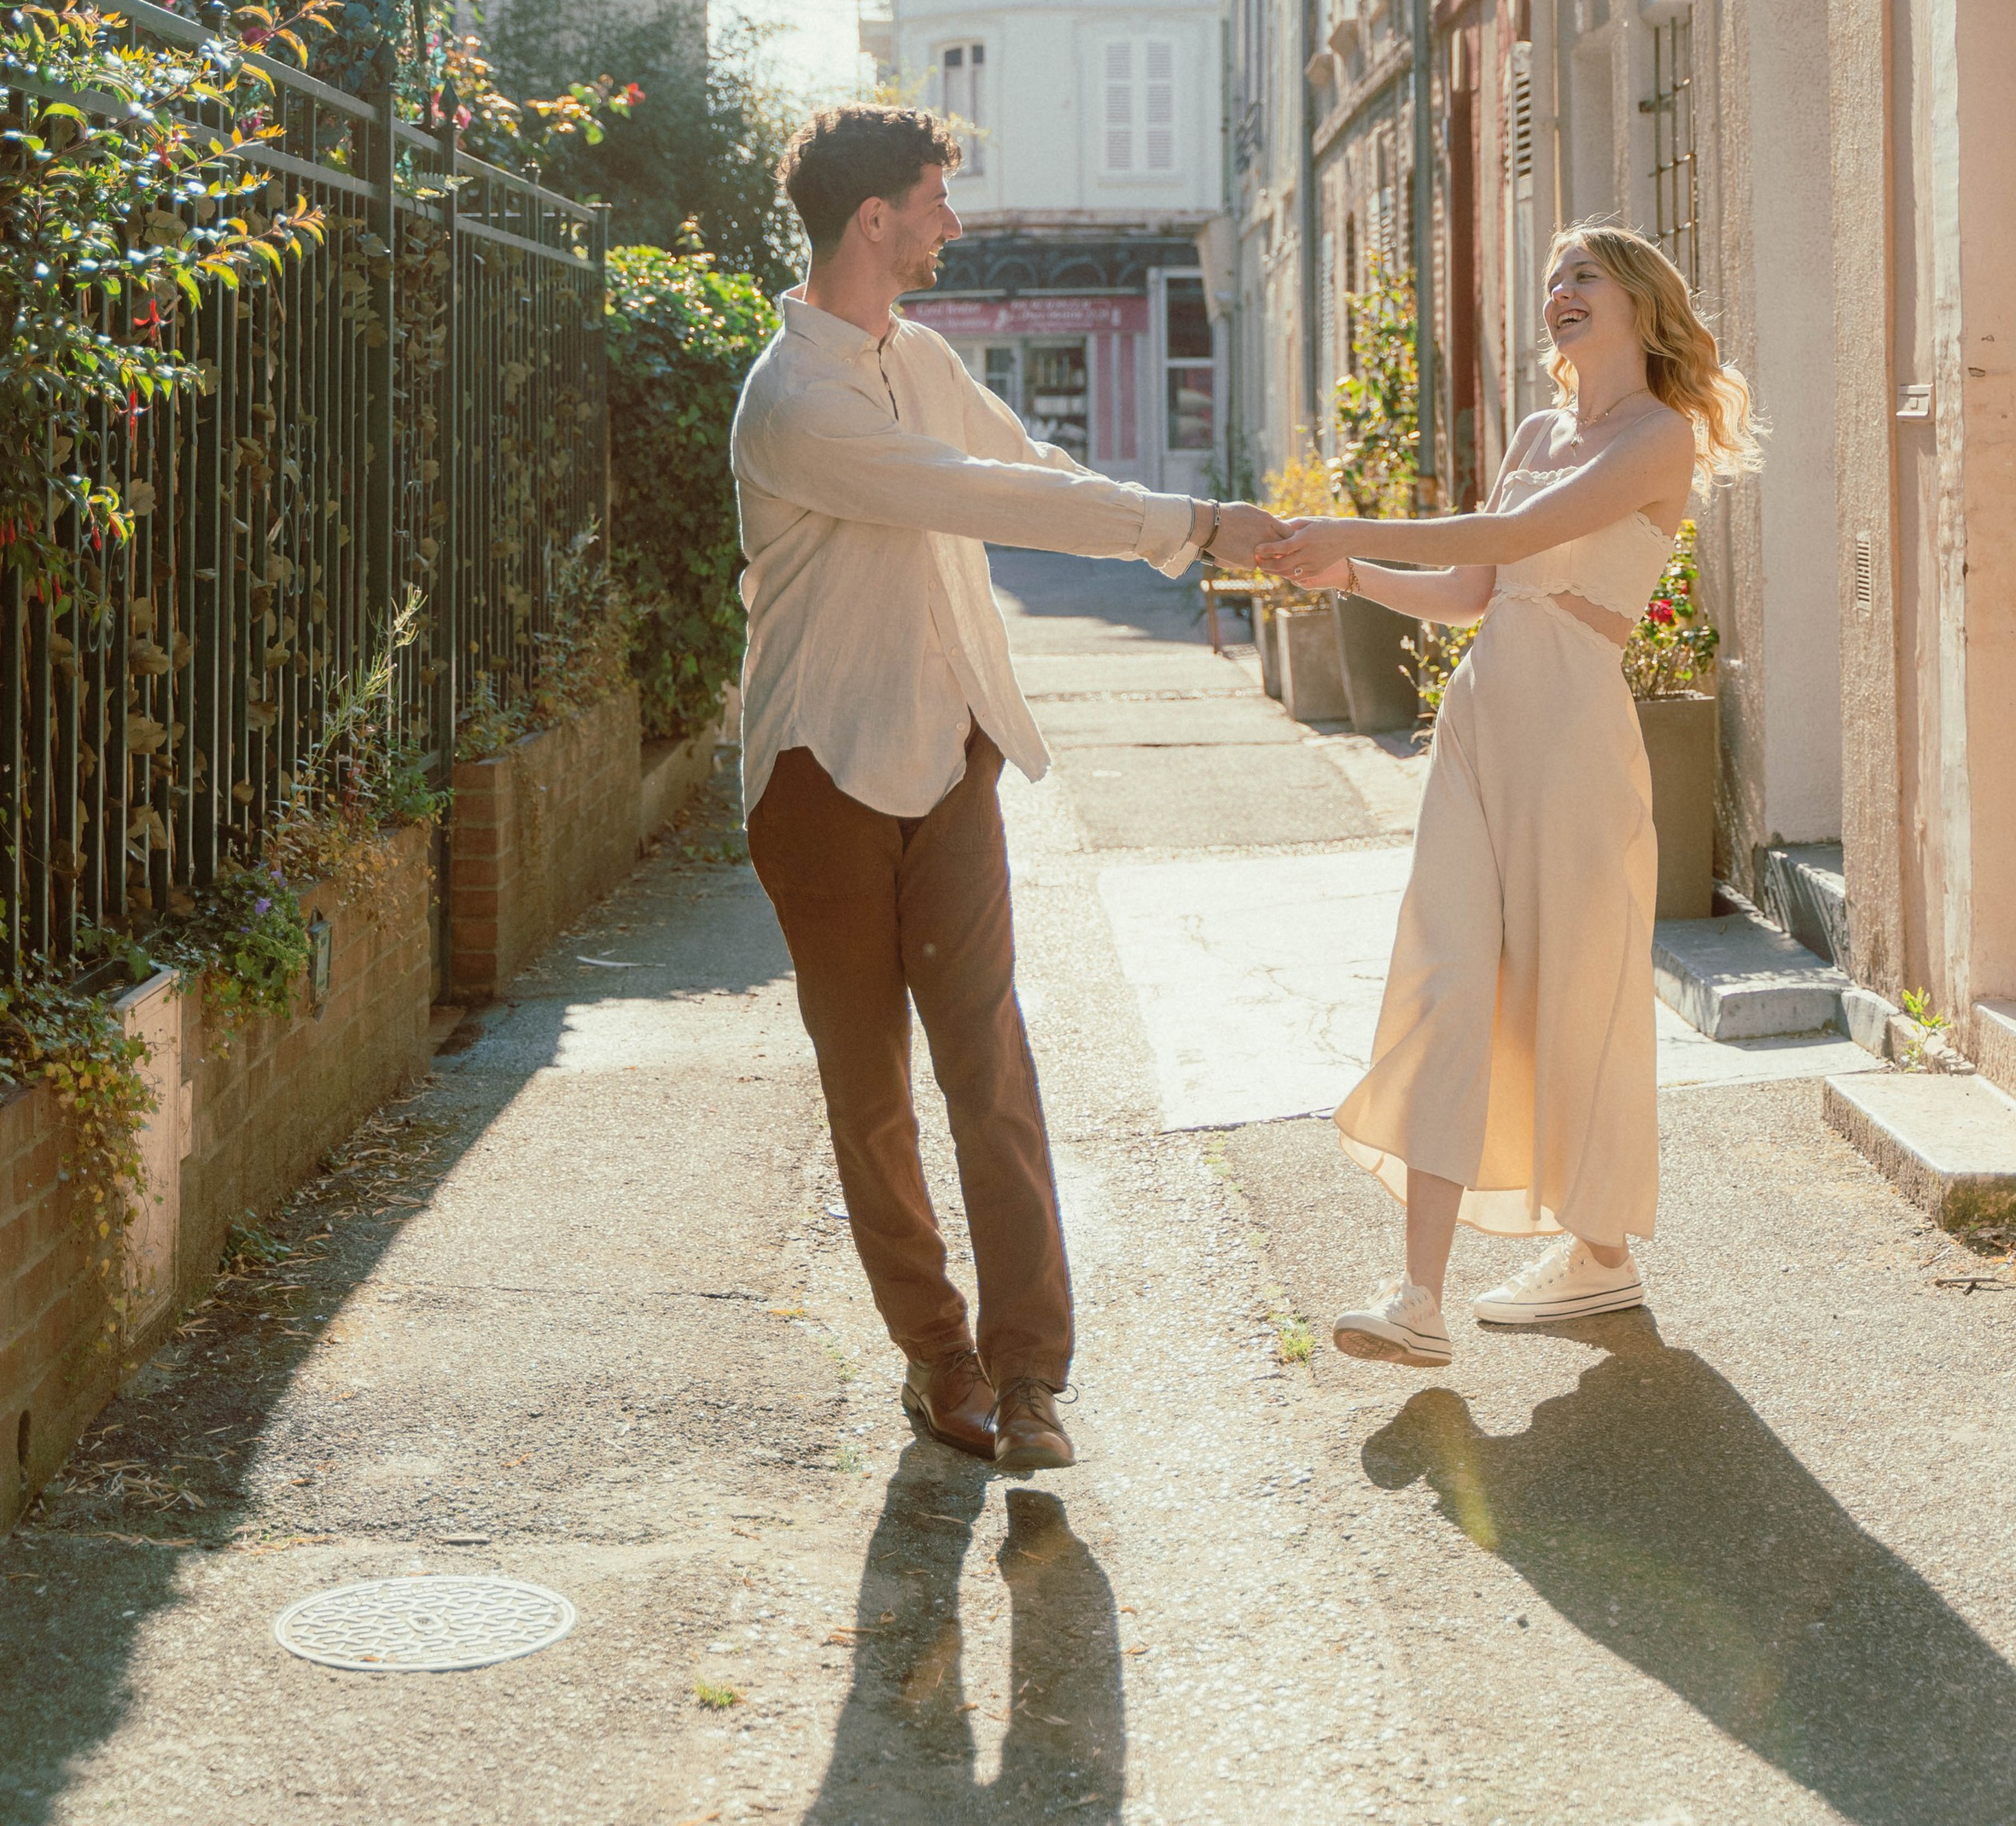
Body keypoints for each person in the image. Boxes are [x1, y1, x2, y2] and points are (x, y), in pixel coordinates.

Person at [731, 105, 1281, 1471]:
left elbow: (1034, 475)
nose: (951, 226)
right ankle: (939, 1359)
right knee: (869, 1092)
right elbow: (983, 499)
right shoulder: (797, 400)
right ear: (876, 220)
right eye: (934, 200)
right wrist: (1195, 524)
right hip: (821, 777)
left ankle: (1033, 1379)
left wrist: (1184, 539)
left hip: (948, 758)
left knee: (994, 1066)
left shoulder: (916, 356)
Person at [1261, 224, 1763, 1357]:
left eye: (1584, 275)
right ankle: (1419, 1301)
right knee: (1444, 984)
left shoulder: (1658, 440)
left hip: (1575, 740)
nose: (1560, 292)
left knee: (1570, 996)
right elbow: (1475, 587)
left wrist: (1350, 523)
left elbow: (1517, 532)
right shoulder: (1539, 429)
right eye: (1553, 278)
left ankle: (1599, 1252)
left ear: (1641, 303)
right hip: (1484, 724)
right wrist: (1352, 573)